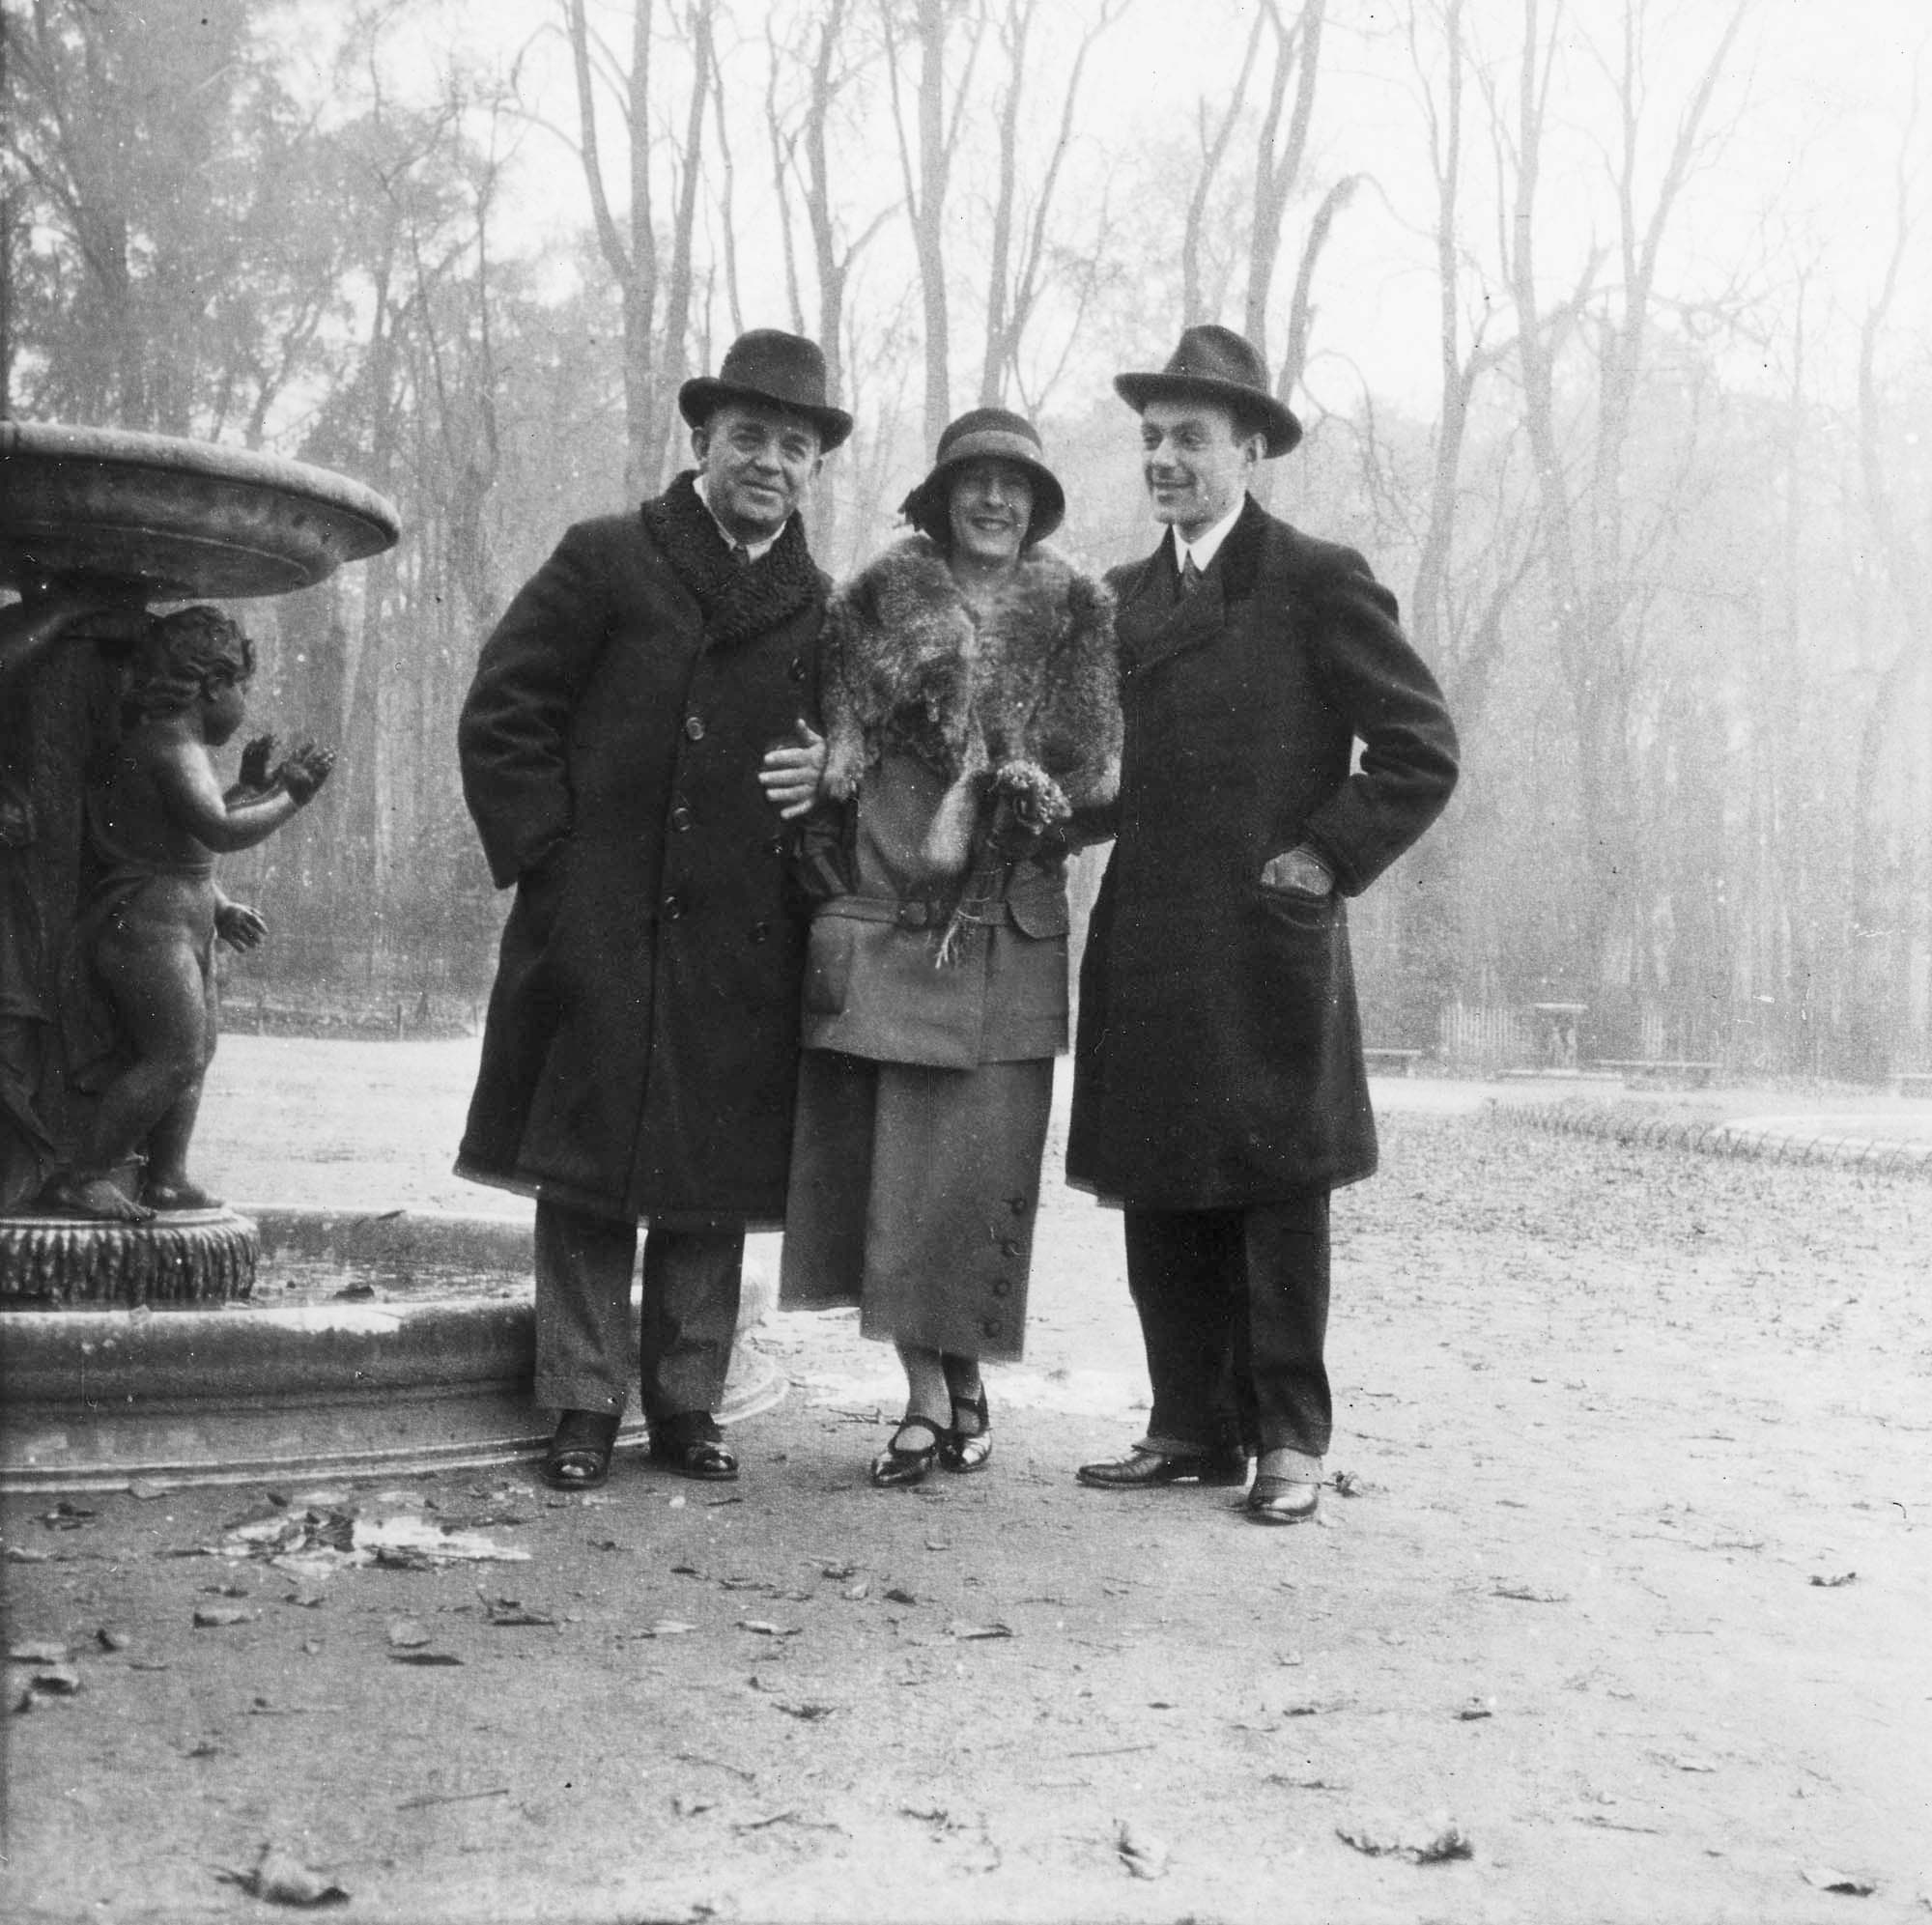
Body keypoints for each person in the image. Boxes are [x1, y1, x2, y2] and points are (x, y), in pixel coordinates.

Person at [1068, 325, 1459, 1524]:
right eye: (1150, 440)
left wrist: (1323, 857)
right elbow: (1101, 774)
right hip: (1147, 934)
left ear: (1248, 448)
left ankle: (1289, 1437)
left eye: (1189, 437)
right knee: (1158, 1177)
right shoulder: (1118, 600)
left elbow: (1418, 748)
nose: (1165, 459)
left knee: (1278, 1187)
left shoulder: (1312, 577)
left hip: (1265, 934)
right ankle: (1188, 1425)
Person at [457, 328, 848, 1492]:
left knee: (708, 1178)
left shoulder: (824, 609)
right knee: (585, 1165)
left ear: (815, 466)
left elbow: (857, 762)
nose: (768, 461)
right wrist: (555, 867)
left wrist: (831, 769)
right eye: (746, 437)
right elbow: (504, 711)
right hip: (602, 916)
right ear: (700, 442)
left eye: (792, 444)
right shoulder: (606, 557)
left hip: (744, 932)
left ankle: (688, 1403)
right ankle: (581, 1404)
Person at [780, 409, 1120, 1486]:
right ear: (939, 496)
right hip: (899, 910)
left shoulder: (1078, 611)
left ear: (1037, 506)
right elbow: (834, 756)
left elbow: (1101, 777)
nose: (994, 502)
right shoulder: (874, 598)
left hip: (1011, 931)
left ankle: (960, 1372)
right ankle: (927, 1397)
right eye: (974, 482)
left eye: (1015, 487)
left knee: (976, 1180)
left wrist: (1027, 798)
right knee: (898, 1177)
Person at [56, 607, 333, 1220]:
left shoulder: (178, 747)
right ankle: (86, 1173)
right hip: (145, 932)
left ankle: (169, 1176)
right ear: (212, 685)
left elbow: (185, 845)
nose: (242, 704)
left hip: (180, 926)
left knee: (196, 1048)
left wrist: (225, 900)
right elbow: (217, 831)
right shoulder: (170, 746)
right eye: (242, 688)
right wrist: (289, 796)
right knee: (175, 1052)